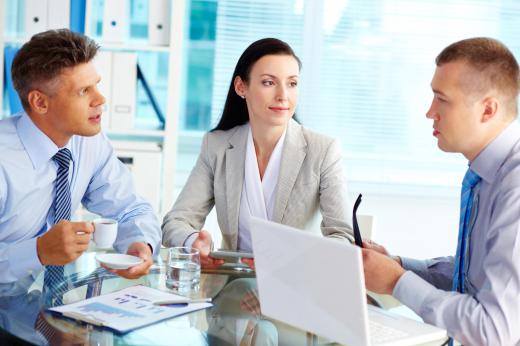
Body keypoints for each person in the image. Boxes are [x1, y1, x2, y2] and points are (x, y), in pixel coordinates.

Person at [362, 37, 520, 345]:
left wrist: (397, 282)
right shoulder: (485, 172)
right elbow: (477, 275)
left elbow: (494, 331)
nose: (429, 112)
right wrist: (398, 266)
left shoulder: (515, 186)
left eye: (441, 99)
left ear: (488, 109)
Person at [162, 38, 352, 268]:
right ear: (241, 87)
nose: (283, 95)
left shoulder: (323, 150)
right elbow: (176, 221)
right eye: (269, 82)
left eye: (292, 83)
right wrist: (194, 242)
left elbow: (343, 237)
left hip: (297, 284)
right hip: (234, 284)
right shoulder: (217, 146)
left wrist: (298, 259)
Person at [0, 29, 161, 283]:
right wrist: (37, 252)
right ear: (40, 103)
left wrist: (139, 243)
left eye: (96, 85)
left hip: (53, 301)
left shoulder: (89, 143)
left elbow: (130, 208)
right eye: (84, 91)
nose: (101, 99)